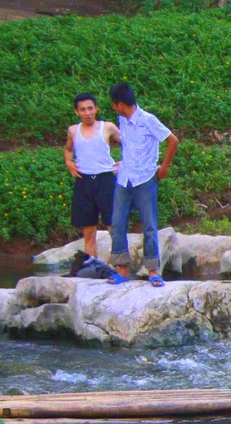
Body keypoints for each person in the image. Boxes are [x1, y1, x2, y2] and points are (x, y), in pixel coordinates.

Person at [107, 83, 177, 287]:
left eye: (114, 104)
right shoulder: (122, 119)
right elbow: (129, 145)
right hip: (124, 178)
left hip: (145, 178)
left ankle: (153, 271)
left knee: (149, 224)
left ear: (120, 104)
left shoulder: (148, 120)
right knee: (118, 223)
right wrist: (124, 161)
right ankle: (122, 269)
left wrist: (163, 168)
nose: (113, 108)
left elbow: (173, 141)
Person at [63, 93, 120, 262]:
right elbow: (68, 149)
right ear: (77, 112)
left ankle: (120, 268)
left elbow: (129, 144)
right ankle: (91, 267)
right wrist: (68, 162)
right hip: (84, 180)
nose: (87, 113)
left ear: (96, 109)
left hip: (106, 179)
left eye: (90, 108)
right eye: (83, 109)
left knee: (113, 226)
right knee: (88, 230)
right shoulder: (73, 130)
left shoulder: (107, 127)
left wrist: (125, 163)